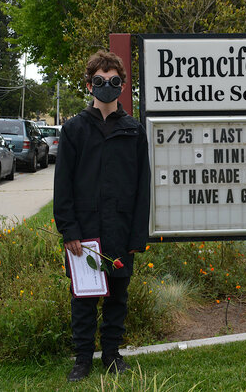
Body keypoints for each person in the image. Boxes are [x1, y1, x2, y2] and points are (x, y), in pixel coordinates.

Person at [53, 50, 150, 382]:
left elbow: (142, 187)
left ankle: (111, 354)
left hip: (120, 230)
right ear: (89, 84)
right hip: (85, 232)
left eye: (113, 81)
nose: (106, 86)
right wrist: (69, 231)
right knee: (83, 299)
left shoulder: (134, 131)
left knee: (117, 297)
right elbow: (62, 186)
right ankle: (83, 359)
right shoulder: (74, 130)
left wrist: (138, 236)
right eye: (99, 80)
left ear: (121, 86)